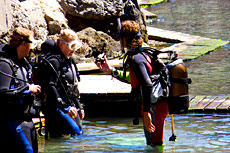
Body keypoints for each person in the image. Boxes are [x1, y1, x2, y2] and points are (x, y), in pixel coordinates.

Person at [96, 20, 169, 146]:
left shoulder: (136, 58)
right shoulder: (145, 51)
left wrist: (146, 113)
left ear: (125, 39)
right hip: (160, 103)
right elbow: (137, 78)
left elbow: (147, 84)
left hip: (153, 107)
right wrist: (111, 71)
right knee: (155, 143)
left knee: (154, 145)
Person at [0, 27, 41, 152]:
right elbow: (2, 93)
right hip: (13, 121)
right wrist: (27, 89)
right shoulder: (5, 64)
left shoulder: (23, 64)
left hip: (27, 119)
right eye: (31, 44)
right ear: (24, 43)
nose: (32, 48)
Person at [38, 29, 85, 137]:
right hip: (57, 107)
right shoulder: (54, 61)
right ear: (61, 44)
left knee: (79, 136)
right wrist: (65, 107)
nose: (74, 50)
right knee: (75, 133)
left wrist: (79, 107)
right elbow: (50, 86)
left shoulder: (70, 61)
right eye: (71, 45)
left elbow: (73, 87)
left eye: (76, 46)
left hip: (71, 106)